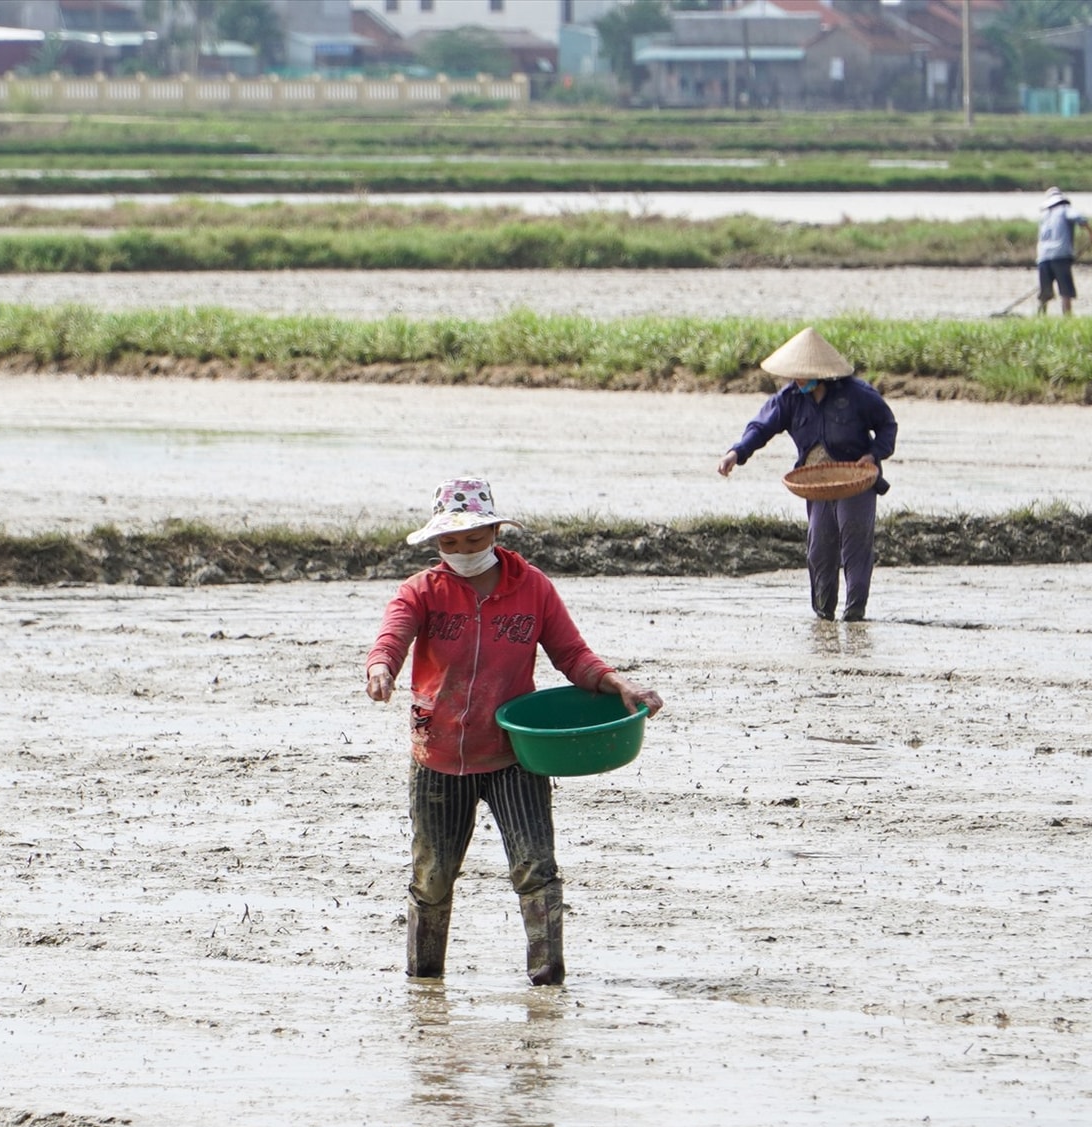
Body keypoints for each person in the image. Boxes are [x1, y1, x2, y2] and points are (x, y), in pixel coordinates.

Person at [365, 476, 663, 986]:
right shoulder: (422, 592)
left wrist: (617, 684)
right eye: (451, 542)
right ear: (438, 543)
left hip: (513, 756)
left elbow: (573, 654)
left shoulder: (533, 588)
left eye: (474, 539)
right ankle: (424, 984)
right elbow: (392, 634)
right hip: (440, 755)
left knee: (536, 869)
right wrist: (381, 668)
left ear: (497, 531)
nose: (462, 551)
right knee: (432, 880)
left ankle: (547, 983)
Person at [716, 327, 898, 623]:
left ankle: (854, 613)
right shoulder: (790, 398)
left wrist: (874, 454)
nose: (796, 380)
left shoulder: (857, 395)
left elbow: (887, 425)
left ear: (821, 374)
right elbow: (761, 427)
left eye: (801, 374)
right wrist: (737, 453)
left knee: (855, 547)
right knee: (819, 548)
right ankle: (823, 614)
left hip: (855, 479)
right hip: (816, 483)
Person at [1036, 186, 1092, 316]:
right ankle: (1067, 317)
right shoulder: (1065, 210)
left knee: (1045, 292)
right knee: (1065, 291)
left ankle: (1040, 316)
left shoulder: (1043, 217)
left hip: (1043, 257)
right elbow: (1080, 218)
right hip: (1060, 256)